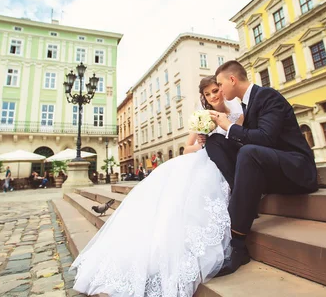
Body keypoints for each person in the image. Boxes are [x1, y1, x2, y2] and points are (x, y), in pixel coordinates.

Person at [71, 75, 243, 297]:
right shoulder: (202, 116)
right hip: (201, 159)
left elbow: (240, 140)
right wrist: (203, 142)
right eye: (207, 94)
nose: (212, 96)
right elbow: (186, 148)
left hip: (224, 164)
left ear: (221, 88)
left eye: (215, 91)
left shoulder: (237, 114)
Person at [206, 60, 318, 276]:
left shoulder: (268, 96)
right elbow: (249, 141)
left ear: (232, 79)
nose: (219, 91)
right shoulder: (248, 103)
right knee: (215, 142)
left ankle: (238, 245)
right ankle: (242, 194)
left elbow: (265, 138)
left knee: (249, 152)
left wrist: (229, 126)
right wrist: (218, 132)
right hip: (272, 168)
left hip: (297, 168)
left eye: (220, 85)